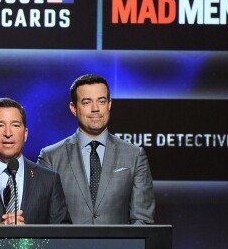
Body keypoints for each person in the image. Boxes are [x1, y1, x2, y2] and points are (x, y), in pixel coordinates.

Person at [38, 74, 155, 225]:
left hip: (119, 248)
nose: (95, 109)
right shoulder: (51, 157)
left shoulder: (134, 155)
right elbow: (45, 220)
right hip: (68, 248)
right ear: (73, 108)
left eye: (101, 101)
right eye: (87, 102)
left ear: (109, 104)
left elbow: (143, 220)